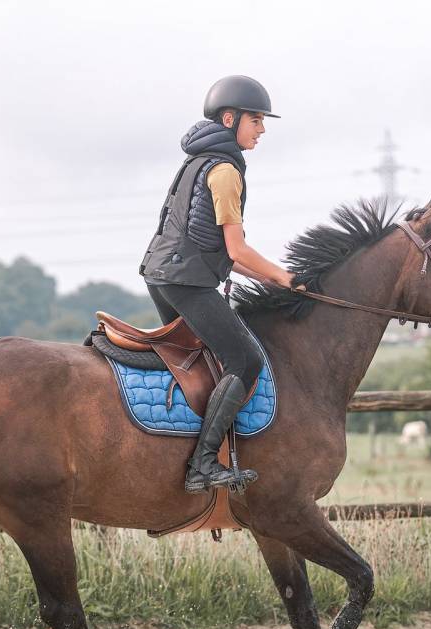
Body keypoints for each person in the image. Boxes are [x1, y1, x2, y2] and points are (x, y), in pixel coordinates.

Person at [139, 75, 295, 494]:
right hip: (185, 282)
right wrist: (282, 275)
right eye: (256, 120)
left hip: (164, 276)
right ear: (230, 119)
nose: (262, 130)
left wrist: (271, 279)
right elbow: (237, 249)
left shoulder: (197, 161)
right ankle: (203, 465)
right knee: (245, 361)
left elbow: (226, 255)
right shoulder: (225, 171)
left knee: (205, 360)